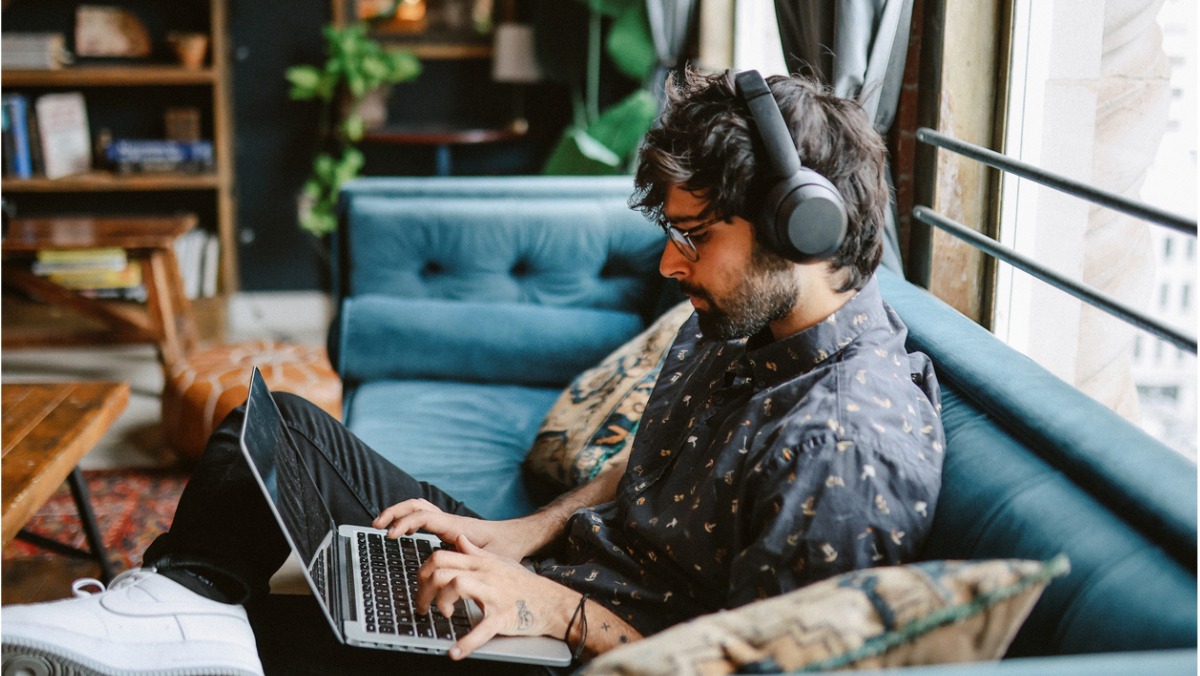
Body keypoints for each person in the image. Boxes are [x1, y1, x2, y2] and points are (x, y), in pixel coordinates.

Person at [1, 69, 944, 675]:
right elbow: (646, 470)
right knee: (274, 431)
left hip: (577, 646)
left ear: (801, 232)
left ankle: (185, 631)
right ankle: (173, 608)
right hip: (554, 580)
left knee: (270, 642)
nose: (670, 264)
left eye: (695, 237)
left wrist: (554, 611)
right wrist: (513, 536)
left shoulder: (841, 444)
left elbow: (743, 666)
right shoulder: (740, 322)